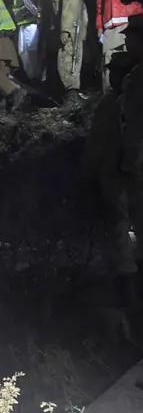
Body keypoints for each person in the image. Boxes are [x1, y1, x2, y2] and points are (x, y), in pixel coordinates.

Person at [83, 16, 143, 304]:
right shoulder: (127, 89)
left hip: (131, 170)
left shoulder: (129, 90)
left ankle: (129, 288)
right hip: (129, 169)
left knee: (122, 225)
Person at [96, 0, 143, 90]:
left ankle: (131, 95)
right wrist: (99, 26)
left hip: (132, 24)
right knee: (109, 63)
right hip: (110, 28)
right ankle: (109, 97)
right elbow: (100, 3)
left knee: (133, 61)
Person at [40, 0, 86, 100]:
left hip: (69, 32)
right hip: (57, 31)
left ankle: (72, 97)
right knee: (58, 62)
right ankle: (61, 96)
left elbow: (69, 8)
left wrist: (65, 29)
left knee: (68, 62)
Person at [11, 0, 42, 81]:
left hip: (31, 24)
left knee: (30, 50)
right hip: (24, 24)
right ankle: (31, 77)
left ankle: (35, 77)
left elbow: (31, 4)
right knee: (24, 51)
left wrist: (38, 15)